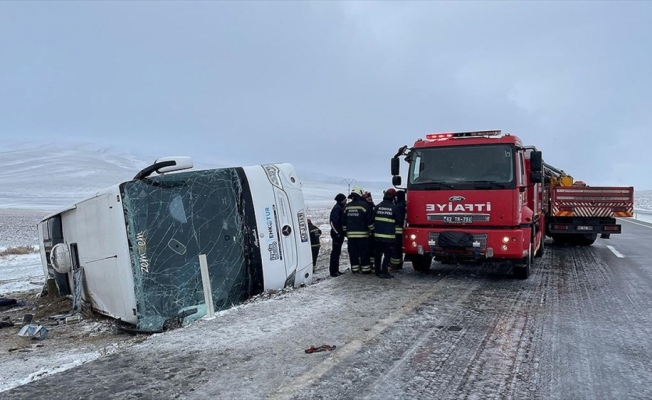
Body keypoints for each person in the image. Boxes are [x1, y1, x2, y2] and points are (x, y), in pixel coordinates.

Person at [343, 186, 373, 274]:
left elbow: (343, 221)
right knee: (364, 252)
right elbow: (369, 220)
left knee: (353, 253)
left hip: (351, 235)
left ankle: (355, 269)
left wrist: (345, 232)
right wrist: (372, 230)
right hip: (363, 235)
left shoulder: (347, 206)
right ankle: (366, 270)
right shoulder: (364, 205)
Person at [374, 188, 398, 279]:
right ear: (393, 197)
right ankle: (384, 272)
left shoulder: (377, 206)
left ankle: (377, 271)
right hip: (389, 237)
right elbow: (399, 220)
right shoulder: (394, 208)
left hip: (377, 237)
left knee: (377, 254)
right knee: (387, 255)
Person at [329, 193, 347, 277]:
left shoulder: (340, 208)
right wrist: (338, 233)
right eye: (345, 199)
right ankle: (333, 271)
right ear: (341, 200)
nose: (346, 201)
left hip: (339, 233)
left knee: (337, 252)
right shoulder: (337, 208)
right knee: (335, 253)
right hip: (337, 234)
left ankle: (336, 270)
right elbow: (333, 222)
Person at [390, 190, 406, 270]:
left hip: (396, 230)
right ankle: (399, 263)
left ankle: (395, 265)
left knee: (395, 248)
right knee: (399, 248)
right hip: (403, 229)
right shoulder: (405, 204)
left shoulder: (398, 206)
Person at [362, 191, 376, 267]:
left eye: (370, 196)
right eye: (367, 197)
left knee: (372, 249)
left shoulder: (373, 206)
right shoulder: (365, 207)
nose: (370, 198)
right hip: (366, 232)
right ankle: (367, 264)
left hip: (372, 232)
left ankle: (372, 264)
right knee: (367, 250)